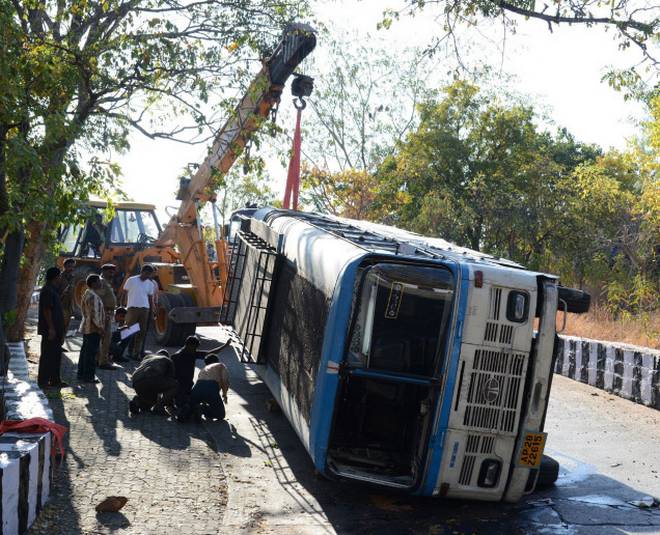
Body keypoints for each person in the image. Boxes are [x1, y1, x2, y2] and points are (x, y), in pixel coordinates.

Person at [171, 336, 230, 408]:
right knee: (182, 404)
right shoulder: (176, 357)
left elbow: (209, 353)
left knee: (190, 403)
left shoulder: (192, 353)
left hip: (188, 386)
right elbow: (171, 374)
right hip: (179, 386)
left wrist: (225, 345)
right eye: (195, 347)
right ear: (188, 345)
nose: (195, 349)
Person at [37, 267, 67, 388]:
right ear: (55, 277)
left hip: (56, 329)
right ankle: (43, 381)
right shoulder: (47, 290)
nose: (61, 278)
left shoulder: (53, 290)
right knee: (47, 355)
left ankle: (55, 380)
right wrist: (51, 328)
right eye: (59, 276)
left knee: (56, 355)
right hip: (51, 330)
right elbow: (47, 310)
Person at [129, 350, 178, 415]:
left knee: (150, 403)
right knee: (175, 385)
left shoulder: (148, 357)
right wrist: (168, 403)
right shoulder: (167, 360)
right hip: (151, 378)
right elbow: (169, 381)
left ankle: (137, 401)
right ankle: (159, 407)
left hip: (136, 381)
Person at [123, 265, 155, 360]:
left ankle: (136, 353)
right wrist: (122, 305)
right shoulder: (131, 280)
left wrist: (151, 311)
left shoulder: (150, 284)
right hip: (132, 308)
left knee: (141, 332)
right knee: (129, 330)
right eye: (146, 273)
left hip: (145, 309)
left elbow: (150, 298)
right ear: (142, 271)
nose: (147, 276)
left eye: (149, 274)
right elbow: (124, 293)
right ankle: (123, 351)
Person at [185, 354, 230, 422]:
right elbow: (225, 381)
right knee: (220, 415)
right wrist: (225, 395)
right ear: (217, 361)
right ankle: (202, 409)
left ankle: (191, 410)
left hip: (197, 388)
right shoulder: (220, 366)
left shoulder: (203, 369)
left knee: (192, 404)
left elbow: (201, 384)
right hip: (211, 387)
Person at [77, 274, 105, 384]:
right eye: (99, 281)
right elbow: (94, 314)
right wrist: (100, 327)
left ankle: (81, 374)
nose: (100, 283)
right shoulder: (93, 296)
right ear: (93, 283)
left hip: (87, 326)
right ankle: (88, 377)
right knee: (91, 354)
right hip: (93, 328)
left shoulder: (87, 293)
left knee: (85, 352)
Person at [95, 263, 120, 370]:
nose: (112, 273)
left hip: (107, 313)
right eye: (110, 271)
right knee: (105, 339)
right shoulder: (101, 282)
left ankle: (99, 359)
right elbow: (98, 299)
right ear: (104, 271)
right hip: (104, 314)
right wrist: (105, 312)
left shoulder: (106, 282)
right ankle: (103, 362)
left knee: (105, 338)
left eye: (113, 271)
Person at [56, 258, 76, 336]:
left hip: (68, 307)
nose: (71, 269)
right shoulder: (59, 278)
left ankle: (59, 345)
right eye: (69, 266)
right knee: (58, 328)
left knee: (65, 328)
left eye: (73, 267)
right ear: (64, 266)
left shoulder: (73, 278)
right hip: (59, 306)